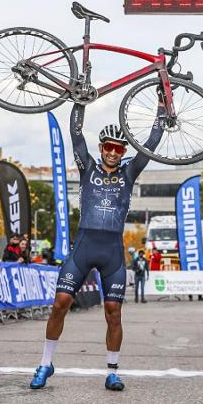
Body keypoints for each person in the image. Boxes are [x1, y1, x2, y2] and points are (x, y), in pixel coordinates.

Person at [29, 101, 164, 391]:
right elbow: (75, 134)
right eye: (108, 147)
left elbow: (151, 144)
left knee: (113, 311)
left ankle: (112, 371)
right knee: (59, 305)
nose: (113, 152)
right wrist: (79, 100)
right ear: (101, 147)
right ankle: (45, 363)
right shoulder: (87, 166)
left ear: (123, 152)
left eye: (118, 148)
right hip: (85, 246)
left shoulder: (129, 173)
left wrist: (161, 111)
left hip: (112, 251)